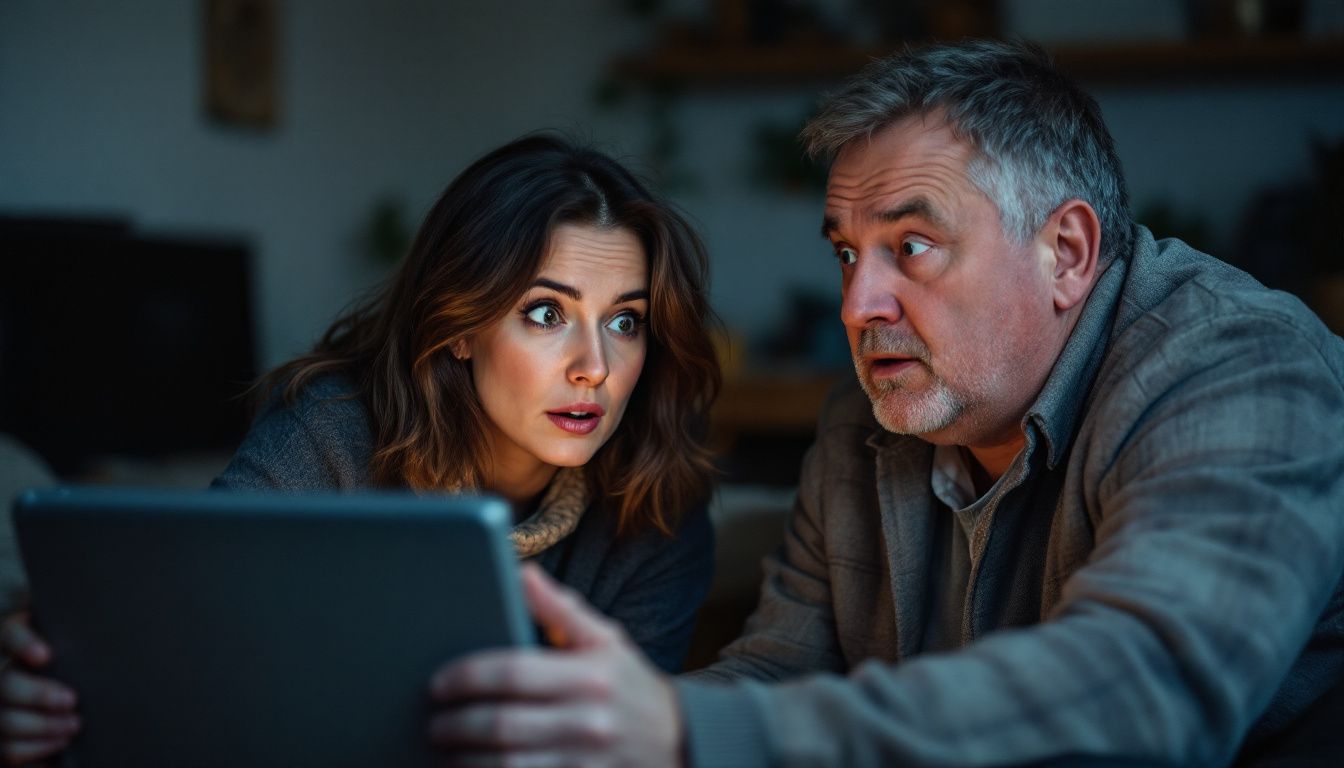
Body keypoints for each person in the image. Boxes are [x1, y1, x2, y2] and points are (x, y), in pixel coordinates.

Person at [420, 40, 1344, 767]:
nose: (859, 305)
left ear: (1065, 252)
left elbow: (1152, 686)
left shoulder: (1240, 368)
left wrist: (685, 734)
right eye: (847, 254)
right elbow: (782, 673)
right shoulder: (867, 425)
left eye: (911, 245)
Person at [0, 134, 723, 765]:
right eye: (546, 313)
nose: (594, 366)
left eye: (626, 322)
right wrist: (40, 680)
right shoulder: (333, 434)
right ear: (460, 327)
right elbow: (184, 630)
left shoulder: (659, 513)